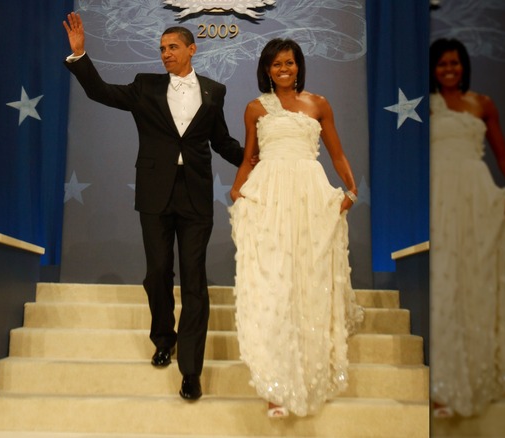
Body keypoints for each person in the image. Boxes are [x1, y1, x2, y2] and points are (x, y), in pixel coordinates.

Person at [62, 12, 246, 401]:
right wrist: (80, 56)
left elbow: (222, 142)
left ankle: (191, 371)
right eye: (161, 49)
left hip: (196, 195)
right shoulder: (145, 86)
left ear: (191, 49)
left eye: (173, 47)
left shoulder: (215, 91)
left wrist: (256, 159)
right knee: (159, 271)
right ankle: (164, 338)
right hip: (154, 193)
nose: (165, 54)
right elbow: (102, 92)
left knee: (195, 281)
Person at [228, 38, 364, 418]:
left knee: (308, 285)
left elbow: (336, 153)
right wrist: (238, 193)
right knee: (274, 288)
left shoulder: (319, 105)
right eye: (275, 64)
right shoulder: (255, 107)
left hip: (309, 198)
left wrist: (351, 191)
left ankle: (305, 375)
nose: (283, 68)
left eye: (289, 62)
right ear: (267, 70)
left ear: (298, 65)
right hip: (269, 199)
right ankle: (276, 388)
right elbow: (249, 157)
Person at [428, 37, 505, 419]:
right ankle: (442, 388)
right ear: (433, 69)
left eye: (454, 63)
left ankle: (471, 374)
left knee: (471, 281)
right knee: (443, 283)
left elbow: (501, 153)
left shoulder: (483, 104)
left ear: (464, 66)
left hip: (475, 198)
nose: (449, 69)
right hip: (439, 196)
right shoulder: (428, 106)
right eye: (442, 64)